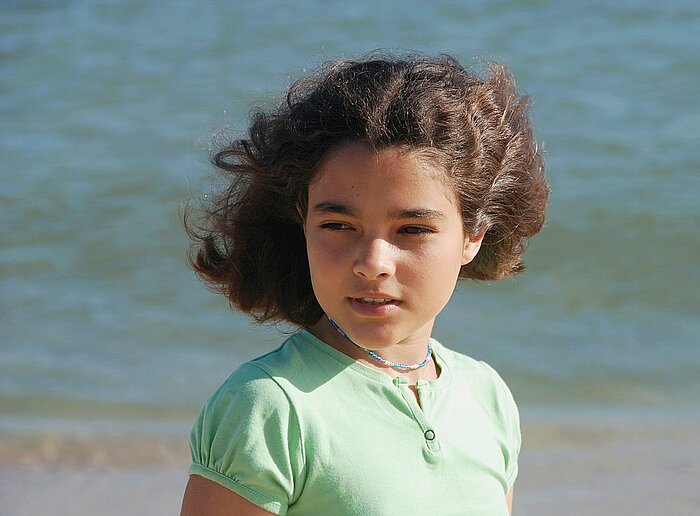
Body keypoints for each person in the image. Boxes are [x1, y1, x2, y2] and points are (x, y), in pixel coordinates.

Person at [180, 52, 548, 516]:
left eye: (412, 230)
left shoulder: (486, 397)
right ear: (302, 221)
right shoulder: (271, 407)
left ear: (473, 236)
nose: (373, 263)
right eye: (338, 225)